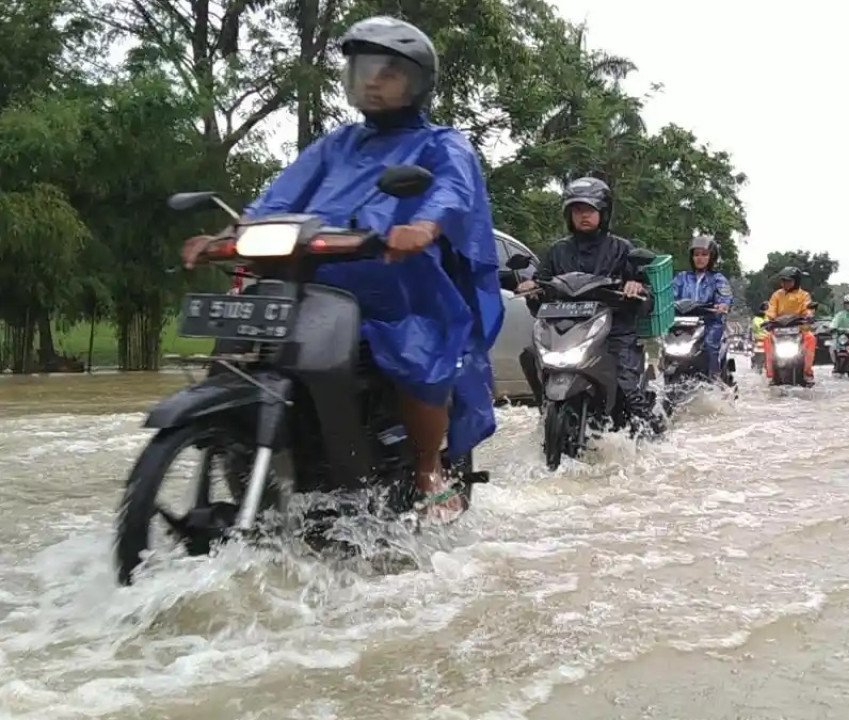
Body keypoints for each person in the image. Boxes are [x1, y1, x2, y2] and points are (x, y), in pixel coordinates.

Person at [181, 17, 502, 522]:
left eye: (388, 71)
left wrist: (423, 224)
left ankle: (426, 469)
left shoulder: (444, 143)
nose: (372, 80)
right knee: (242, 344)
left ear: (416, 81)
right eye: (364, 69)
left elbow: (452, 192)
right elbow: (279, 196)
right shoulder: (337, 144)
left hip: (400, 281)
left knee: (420, 355)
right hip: (317, 271)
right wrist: (230, 234)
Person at [514, 177, 654, 429]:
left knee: (629, 390)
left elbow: (646, 297)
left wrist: (636, 287)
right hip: (565, 330)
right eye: (577, 210)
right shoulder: (557, 251)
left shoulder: (622, 249)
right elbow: (540, 293)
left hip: (613, 332)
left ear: (604, 212)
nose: (583, 216)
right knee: (529, 355)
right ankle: (545, 409)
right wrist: (532, 290)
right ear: (569, 215)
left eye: (589, 210)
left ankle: (654, 438)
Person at [671, 236, 732, 377]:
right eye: (696, 254)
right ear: (691, 257)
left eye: (704, 254)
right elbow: (670, 294)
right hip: (681, 322)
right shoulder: (682, 277)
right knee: (666, 342)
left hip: (710, 321)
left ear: (711, 257)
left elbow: (725, 295)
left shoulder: (718, 279)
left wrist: (723, 304)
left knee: (711, 344)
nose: (700, 258)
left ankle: (714, 378)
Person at [763, 266, 817, 383]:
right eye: (783, 280)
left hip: (799, 328)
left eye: (788, 280)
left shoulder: (804, 295)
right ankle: (771, 373)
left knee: (811, 338)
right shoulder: (777, 295)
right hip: (778, 329)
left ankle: (807, 372)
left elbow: (808, 309)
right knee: (767, 339)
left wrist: (808, 316)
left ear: (796, 281)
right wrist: (769, 319)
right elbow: (771, 309)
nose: (785, 283)